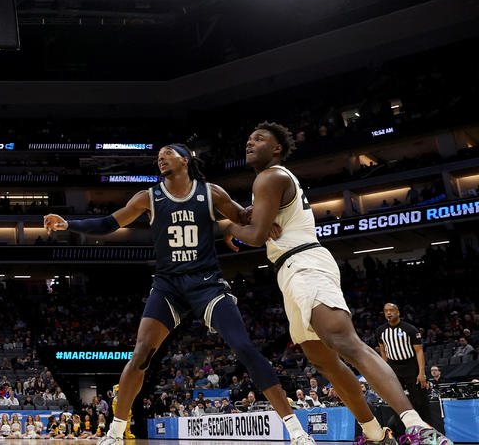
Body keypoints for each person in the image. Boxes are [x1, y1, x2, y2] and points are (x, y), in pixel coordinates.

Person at [44, 144, 313, 445]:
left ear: (185, 160)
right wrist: (70, 224)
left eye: (167, 153)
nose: (160, 157)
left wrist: (271, 217)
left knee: (244, 347)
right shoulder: (148, 197)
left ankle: (296, 430)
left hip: (207, 283)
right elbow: (110, 222)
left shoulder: (210, 192)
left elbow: (243, 216)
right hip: (168, 285)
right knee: (141, 353)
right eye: (158, 156)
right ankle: (115, 432)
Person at [226, 122, 454, 445]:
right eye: (248, 138)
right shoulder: (266, 183)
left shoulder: (271, 175)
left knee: (346, 343)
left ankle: (418, 427)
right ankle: (375, 434)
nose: (250, 143)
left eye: (259, 138)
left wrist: (229, 229)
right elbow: (254, 219)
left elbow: (255, 235)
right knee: (323, 360)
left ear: (277, 149)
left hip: (305, 263)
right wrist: (247, 218)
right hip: (289, 272)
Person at [378, 303, 440, 432]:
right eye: (386, 311)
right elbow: (383, 352)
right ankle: (403, 435)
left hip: (411, 366)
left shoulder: (410, 329)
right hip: (393, 368)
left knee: (420, 402)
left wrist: (422, 372)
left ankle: (427, 432)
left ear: (398, 312)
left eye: (391, 310)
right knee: (397, 402)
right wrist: (386, 371)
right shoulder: (380, 331)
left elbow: (419, 351)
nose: (389, 313)